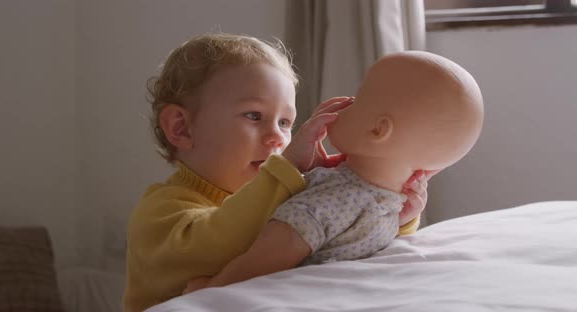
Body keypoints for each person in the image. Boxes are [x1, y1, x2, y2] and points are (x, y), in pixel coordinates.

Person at [123, 33, 432, 311]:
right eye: (254, 116)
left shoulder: (282, 198)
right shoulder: (160, 210)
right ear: (181, 127)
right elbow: (215, 246)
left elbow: (341, 243)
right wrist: (286, 173)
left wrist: (393, 215)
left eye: (285, 122)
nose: (278, 138)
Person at [183, 50, 484, 293]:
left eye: (357, 100)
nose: (344, 103)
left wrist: (212, 288)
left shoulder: (327, 201)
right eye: (254, 116)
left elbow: (269, 254)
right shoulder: (385, 207)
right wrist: (401, 220)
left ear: (378, 130)